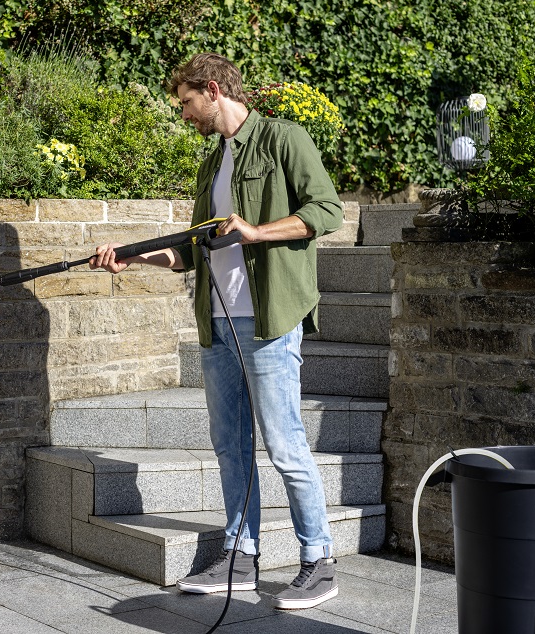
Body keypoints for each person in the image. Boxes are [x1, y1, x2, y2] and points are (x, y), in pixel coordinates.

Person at [89, 52, 344, 610]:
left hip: (270, 320)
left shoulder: (283, 139)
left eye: (185, 102)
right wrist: (134, 259)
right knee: (231, 447)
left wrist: (255, 232)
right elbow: (191, 250)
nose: (184, 114)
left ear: (211, 89)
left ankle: (318, 560)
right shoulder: (212, 164)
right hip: (219, 323)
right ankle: (240, 556)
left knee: (285, 445)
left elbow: (327, 210)